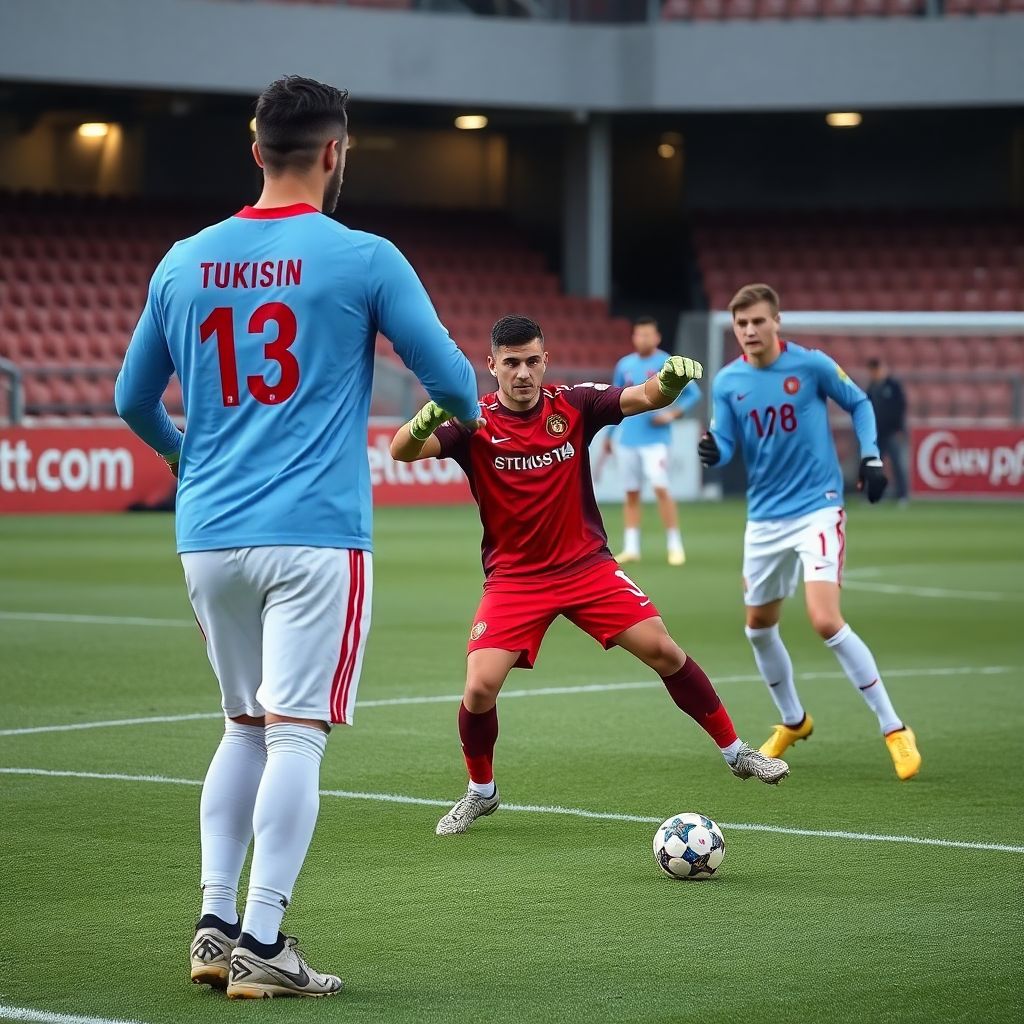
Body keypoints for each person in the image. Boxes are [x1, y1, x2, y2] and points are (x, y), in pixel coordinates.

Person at [115, 76, 480, 998]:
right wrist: (439, 426)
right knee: (297, 735)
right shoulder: (363, 257)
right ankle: (264, 941)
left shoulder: (183, 260)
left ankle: (213, 926)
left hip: (209, 534)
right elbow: (457, 386)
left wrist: (185, 457)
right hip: (315, 534)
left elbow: (130, 399)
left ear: (255, 151)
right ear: (334, 152)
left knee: (242, 726)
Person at [389, 314, 790, 836]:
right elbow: (401, 450)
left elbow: (642, 397)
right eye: (511, 363)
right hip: (515, 580)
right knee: (480, 687)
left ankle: (737, 752)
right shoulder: (474, 421)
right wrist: (422, 423)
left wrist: (668, 384)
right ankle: (481, 792)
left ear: (546, 360)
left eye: (532, 361)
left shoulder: (574, 404)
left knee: (664, 650)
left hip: (586, 568)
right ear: (492, 365)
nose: (523, 373)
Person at [697, 283, 921, 781]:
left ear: (776, 322)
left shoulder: (811, 365)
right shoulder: (729, 381)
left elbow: (860, 403)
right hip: (764, 517)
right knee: (758, 627)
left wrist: (871, 457)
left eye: (758, 321)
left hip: (817, 507)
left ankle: (894, 727)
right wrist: (715, 450)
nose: (750, 330)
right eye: (741, 323)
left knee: (824, 619)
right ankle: (794, 720)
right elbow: (726, 440)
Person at [606, 316, 702, 566]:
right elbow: (612, 401)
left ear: (657, 337)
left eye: (648, 334)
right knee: (631, 493)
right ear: (633, 337)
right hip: (628, 439)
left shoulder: (666, 362)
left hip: (655, 441)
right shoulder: (624, 365)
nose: (643, 339)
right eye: (639, 334)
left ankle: (674, 545)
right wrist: (608, 435)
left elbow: (693, 394)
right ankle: (632, 547)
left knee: (661, 488)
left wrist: (672, 414)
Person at [865, 357, 909, 504]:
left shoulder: (893, 386)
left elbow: (901, 408)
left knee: (897, 464)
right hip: (876, 433)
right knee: (874, 465)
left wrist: (899, 428)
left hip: (892, 432)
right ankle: (874, 495)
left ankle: (902, 495)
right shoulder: (871, 388)